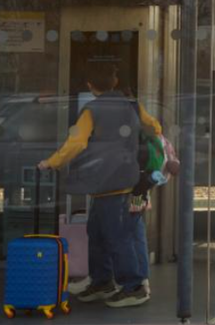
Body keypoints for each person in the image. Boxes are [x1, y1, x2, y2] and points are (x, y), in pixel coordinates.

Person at [37, 63, 155, 308]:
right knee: (120, 232)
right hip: (135, 183)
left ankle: (132, 286)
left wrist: (52, 162)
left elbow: (77, 142)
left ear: (90, 86)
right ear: (115, 80)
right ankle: (105, 281)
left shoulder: (92, 109)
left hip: (110, 183)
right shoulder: (133, 105)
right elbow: (155, 128)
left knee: (116, 236)